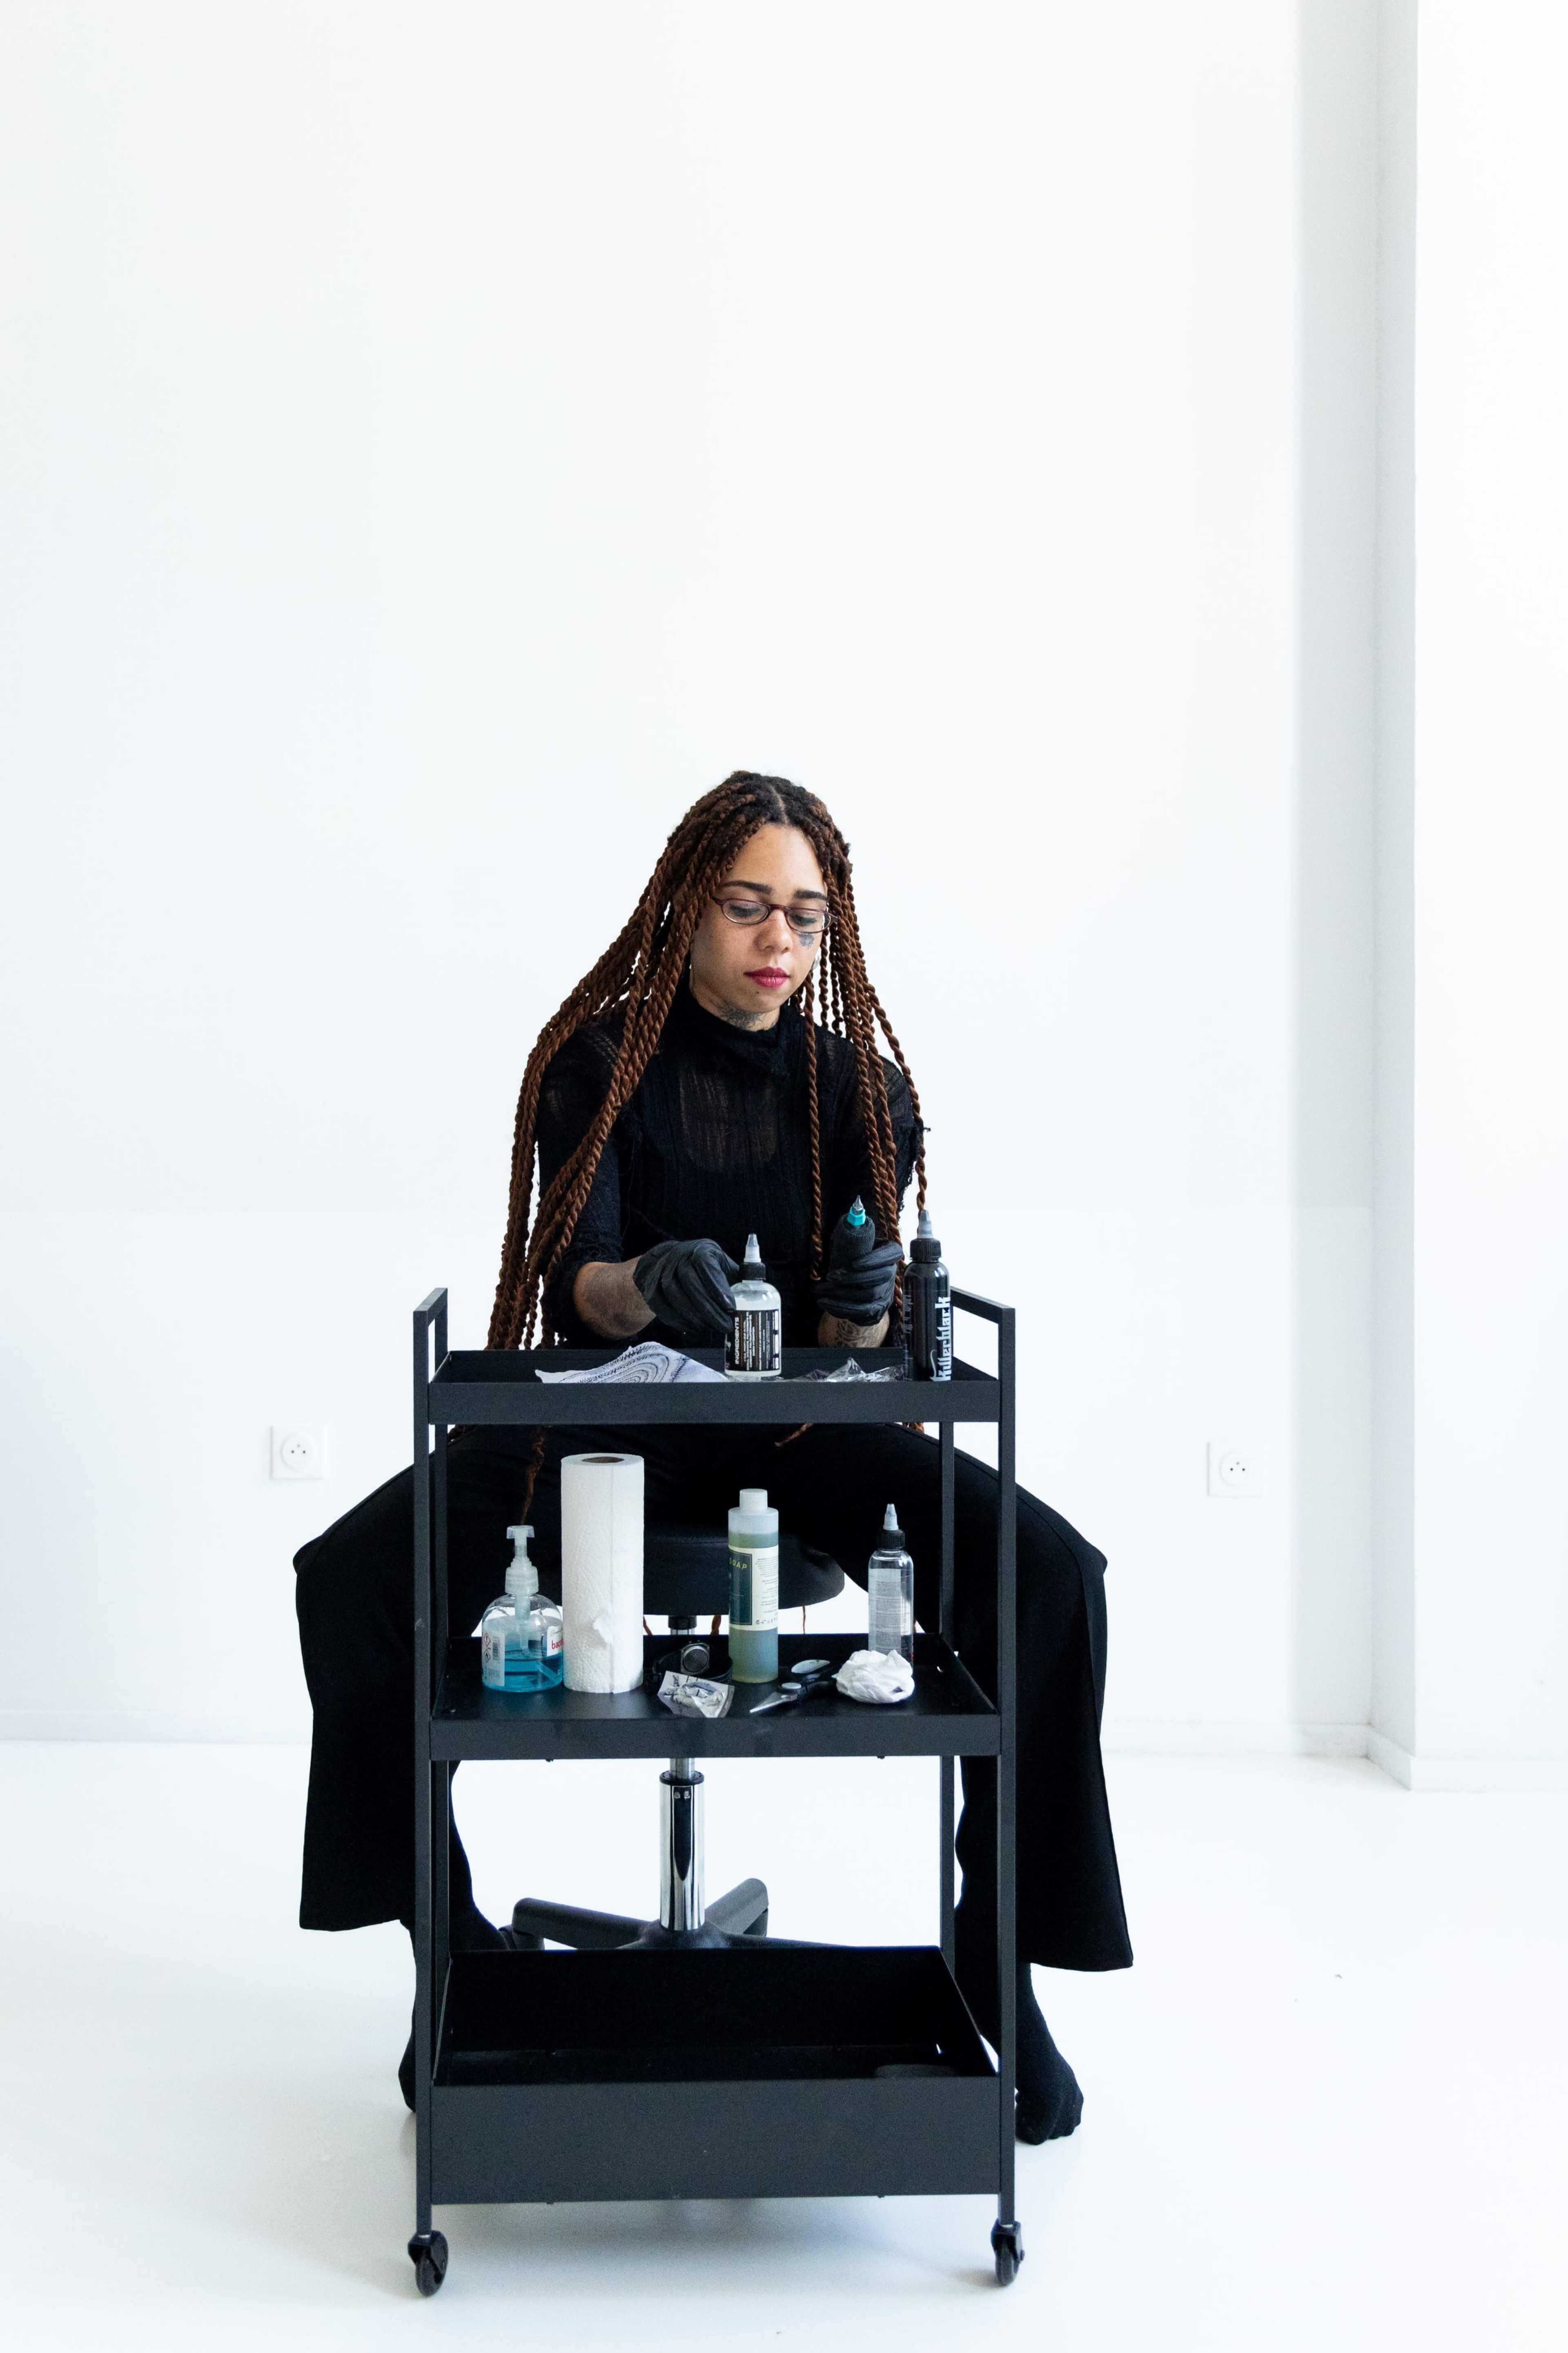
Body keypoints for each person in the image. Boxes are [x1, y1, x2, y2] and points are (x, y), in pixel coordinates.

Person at [294, 771, 1132, 2142]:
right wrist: (646, 1280)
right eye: (748, 905)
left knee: (1052, 1575)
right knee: (350, 1581)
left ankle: (1002, 1959)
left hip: (810, 1442)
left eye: (804, 914)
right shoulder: (602, 1062)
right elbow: (579, 1286)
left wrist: (861, 1300)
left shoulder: (860, 1085)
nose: (777, 939)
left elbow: (863, 1338)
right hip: (604, 1433)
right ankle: (449, 1956)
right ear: (689, 904)